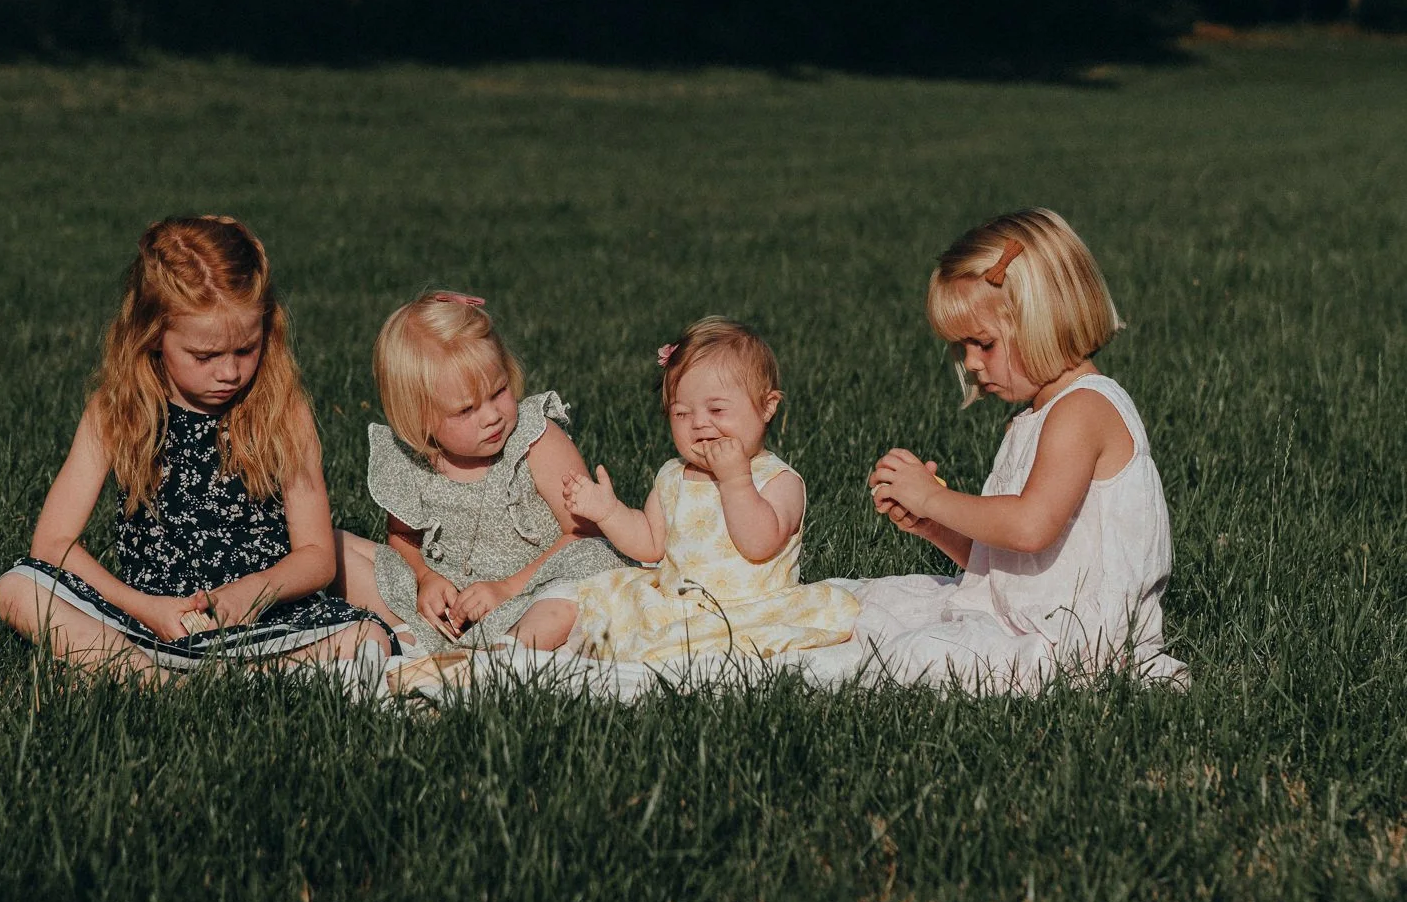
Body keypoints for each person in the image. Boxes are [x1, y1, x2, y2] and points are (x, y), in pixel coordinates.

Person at [0, 215, 387, 676]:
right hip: (150, 620)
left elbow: (318, 556)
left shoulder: (282, 410)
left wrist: (251, 593)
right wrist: (145, 608)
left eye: (246, 349)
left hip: (263, 619)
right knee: (16, 589)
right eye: (204, 356)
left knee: (366, 637)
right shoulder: (116, 411)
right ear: (154, 335)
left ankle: (159, 674)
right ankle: (154, 677)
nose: (228, 372)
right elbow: (53, 543)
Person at [860, 207, 1185, 689]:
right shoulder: (1036, 418)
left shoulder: (1082, 411)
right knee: (869, 607)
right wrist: (934, 525)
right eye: (961, 348)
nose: (970, 363)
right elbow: (1009, 566)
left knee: (908, 657)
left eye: (983, 344)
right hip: (1030, 620)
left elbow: (1030, 528)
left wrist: (933, 497)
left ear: (1043, 321)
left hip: (1079, 645)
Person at [516, 318, 860, 665]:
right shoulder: (673, 475)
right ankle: (507, 652)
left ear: (768, 406)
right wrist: (608, 512)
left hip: (748, 609)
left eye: (717, 409)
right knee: (575, 596)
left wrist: (735, 479)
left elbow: (759, 544)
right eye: (681, 413)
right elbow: (650, 542)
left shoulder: (778, 480)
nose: (698, 423)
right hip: (676, 604)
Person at [336, 291, 627, 652]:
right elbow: (402, 538)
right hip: (453, 602)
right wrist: (426, 577)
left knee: (588, 568)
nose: (491, 416)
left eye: (499, 391)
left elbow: (581, 533)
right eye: (466, 410)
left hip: (532, 590)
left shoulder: (534, 439)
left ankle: (506, 653)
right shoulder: (412, 462)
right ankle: (418, 637)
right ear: (419, 418)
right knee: (335, 547)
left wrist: (506, 589)